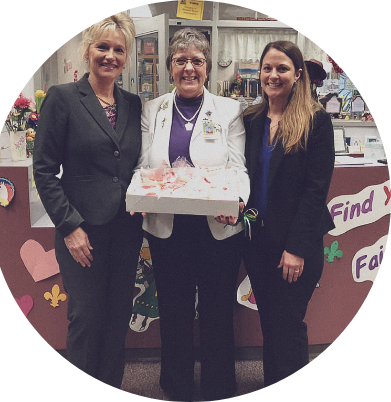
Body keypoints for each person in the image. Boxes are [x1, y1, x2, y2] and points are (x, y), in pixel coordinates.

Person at [135, 28, 250, 401]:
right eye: (181, 60)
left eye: (197, 60)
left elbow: (239, 169)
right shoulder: (152, 110)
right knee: (174, 310)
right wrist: (138, 193)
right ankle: (177, 384)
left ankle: (219, 385)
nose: (189, 68)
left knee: (217, 312)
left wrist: (238, 202)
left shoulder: (230, 110)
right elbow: (142, 167)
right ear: (170, 67)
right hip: (167, 230)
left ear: (206, 67)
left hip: (218, 229)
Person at [33, 13, 143, 389]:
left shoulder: (132, 103)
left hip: (126, 229)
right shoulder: (63, 98)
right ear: (87, 50)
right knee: (86, 317)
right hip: (81, 230)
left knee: (117, 317)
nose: (110, 55)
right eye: (103, 47)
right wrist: (69, 227)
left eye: (118, 49)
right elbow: (44, 171)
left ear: (126, 57)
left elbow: (137, 165)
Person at [243, 41, 335, 387]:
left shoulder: (316, 121)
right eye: (267, 68)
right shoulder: (251, 119)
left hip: (297, 246)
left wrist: (296, 248)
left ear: (297, 75)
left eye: (282, 69)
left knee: (289, 324)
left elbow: (315, 191)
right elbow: (244, 179)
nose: (273, 75)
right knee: (270, 322)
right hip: (259, 241)